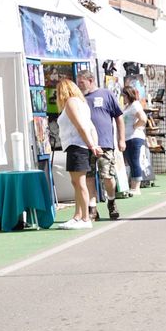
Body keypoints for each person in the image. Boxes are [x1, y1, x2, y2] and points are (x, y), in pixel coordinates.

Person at [76, 69, 124, 221]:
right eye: (78, 83)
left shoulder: (106, 94)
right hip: (86, 144)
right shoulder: (79, 98)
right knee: (89, 177)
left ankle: (111, 201)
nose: (80, 86)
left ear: (90, 81)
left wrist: (121, 139)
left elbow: (119, 117)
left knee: (107, 176)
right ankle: (93, 208)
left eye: (82, 82)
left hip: (104, 143)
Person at [56, 79, 102, 230]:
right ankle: (78, 216)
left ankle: (85, 218)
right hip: (78, 146)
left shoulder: (71, 102)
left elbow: (81, 126)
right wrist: (94, 144)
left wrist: (92, 145)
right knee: (76, 183)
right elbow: (90, 126)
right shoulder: (82, 104)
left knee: (80, 183)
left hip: (77, 146)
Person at [121, 86, 148, 196]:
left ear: (128, 95)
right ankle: (132, 186)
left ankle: (136, 187)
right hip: (127, 138)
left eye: (124, 95)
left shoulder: (135, 105)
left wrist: (135, 126)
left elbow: (143, 119)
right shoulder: (127, 107)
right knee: (131, 162)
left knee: (134, 161)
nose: (122, 98)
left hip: (134, 137)